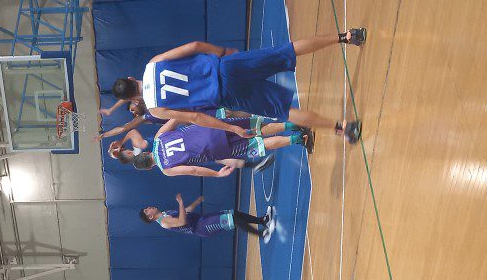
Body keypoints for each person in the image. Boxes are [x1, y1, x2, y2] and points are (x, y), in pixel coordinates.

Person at [110, 33, 367, 143]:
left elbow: (196, 118)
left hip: (227, 95)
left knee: (284, 112)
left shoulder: (155, 109)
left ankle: (343, 127)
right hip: (226, 67)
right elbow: (195, 46)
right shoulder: (153, 63)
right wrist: (222, 52)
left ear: (133, 99)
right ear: (131, 78)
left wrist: (231, 127)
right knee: (285, 51)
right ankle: (345, 37)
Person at [111, 117, 313, 177]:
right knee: (255, 129)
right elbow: (176, 118)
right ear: (146, 153)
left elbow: (193, 170)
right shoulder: (158, 138)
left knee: (257, 144)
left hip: (213, 149)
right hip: (211, 127)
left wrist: (216, 174)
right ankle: (291, 125)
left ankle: (297, 139)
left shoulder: (166, 169)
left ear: (149, 167)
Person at [141, 195, 273, 242]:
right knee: (233, 220)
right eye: (147, 210)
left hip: (201, 219)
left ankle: (262, 221)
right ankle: (262, 234)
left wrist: (197, 202)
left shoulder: (165, 213)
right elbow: (182, 221)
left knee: (233, 213)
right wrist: (180, 203)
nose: (149, 207)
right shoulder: (164, 222)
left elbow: (185, 212)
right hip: (200, 227)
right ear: (150, 216)